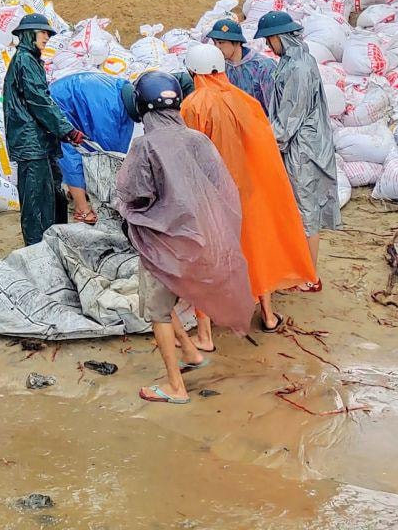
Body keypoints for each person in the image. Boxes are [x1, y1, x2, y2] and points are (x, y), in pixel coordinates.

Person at [114, 71, 252, 404]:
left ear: (141, 108)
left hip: (165, 244)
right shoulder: (197, 140)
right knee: (173, 295)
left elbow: (134, 193)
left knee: (158, 310)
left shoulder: (144, 145)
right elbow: (219, 186)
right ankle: (191, 352)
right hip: (201, 241)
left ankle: (175, 387)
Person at [181, 44, 315, 336]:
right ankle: (267, 315)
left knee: (208, 256)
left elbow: (192, 156)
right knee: (256, 250)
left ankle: (207, 330)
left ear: (192, 71)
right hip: (252, 191)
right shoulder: (246, 100)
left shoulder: (193, 105)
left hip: (216, 194)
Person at [257, 10, 339, 286]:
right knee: (298, 209)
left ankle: (309, 275)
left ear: (281, 37)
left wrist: (265, 143)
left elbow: (291, 115)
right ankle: (299, 266)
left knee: (306, 211)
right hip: (300, 145)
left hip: (303, 148)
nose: (269, 46)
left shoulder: (299, 68)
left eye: (270, 40)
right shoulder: (294, 61)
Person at [1, 13, 80, 245]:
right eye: (43, 32)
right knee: (37, 201)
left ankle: (53, 243)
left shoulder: (30, 60)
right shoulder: (25, 60)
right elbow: (40, 101)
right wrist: (66, 130)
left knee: (53, 196)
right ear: (29, 34)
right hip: (31, 142)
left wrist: (63, 130)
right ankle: (38, 249)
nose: (47, 37)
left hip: (39, 141)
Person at [49, 71, 140, 224]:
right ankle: (81, 209)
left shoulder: (123, 93)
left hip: (80, 99)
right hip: (58, 105)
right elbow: (104, 153)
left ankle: (78, 191)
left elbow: (119, 148)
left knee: (99, 150)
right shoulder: (109, 108)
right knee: (71, 153)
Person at [207, 17, 277, 109]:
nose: (217, 47)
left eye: (221, 42)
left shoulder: (263, 67)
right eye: (215, 43)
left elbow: (273, 106)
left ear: (236, 43)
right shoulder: (219, 66)